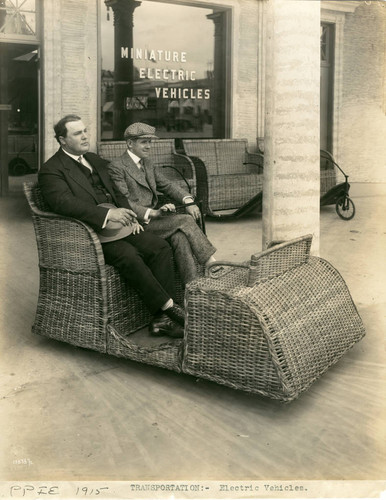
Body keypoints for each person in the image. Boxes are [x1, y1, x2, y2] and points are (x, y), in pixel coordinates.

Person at [38, 114, 185, 339]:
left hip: (120, 225)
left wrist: (131, 216)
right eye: (77, 133)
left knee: (159, 247)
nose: (85, 136)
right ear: (62, 140)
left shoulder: (95, 160)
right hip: (90, 233)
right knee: (129, 255)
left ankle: (161, 320)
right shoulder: (52, 170)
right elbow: (63, 203)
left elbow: (117, 193)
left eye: (85, 130)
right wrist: (107, 214)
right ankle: (169, 308)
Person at [107, 122, 216, 284]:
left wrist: (188, 200)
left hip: (156, 219)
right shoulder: (117, 167)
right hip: (137, 222)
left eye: (150, 142)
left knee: (180, 238)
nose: (149, 146)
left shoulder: (148, 163)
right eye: (144, 142)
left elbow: (167, 185)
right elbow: (124, 201)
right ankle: (212, 263)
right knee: (185, 219)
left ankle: (192, 288)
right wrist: (148, 214)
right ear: (130, 143)